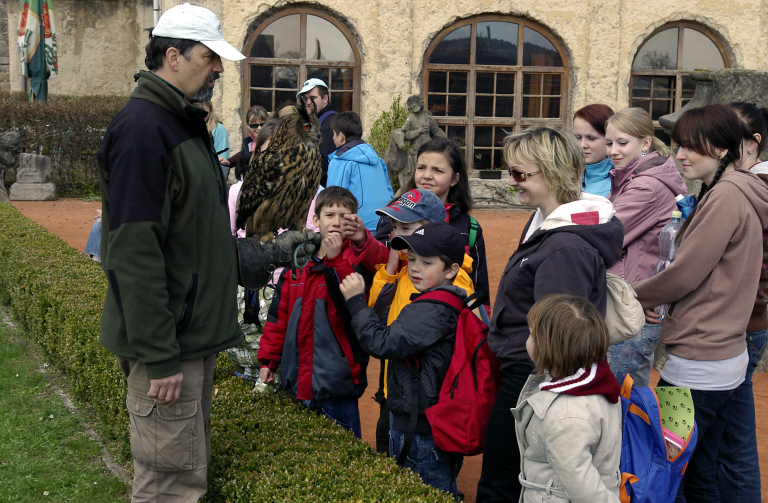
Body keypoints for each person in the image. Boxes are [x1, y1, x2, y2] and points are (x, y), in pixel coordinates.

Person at [95, 4, 245, 501]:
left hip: (186, 341)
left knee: (185, 475)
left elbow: (195, 240)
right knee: (169, 487)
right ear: (173, 56)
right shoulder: (145, 130)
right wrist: (159, 358)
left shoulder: (179, 122)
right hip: (169, 348)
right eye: (211, 57)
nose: (219, 69)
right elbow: (133, 253)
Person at [476, 126, 623, 502]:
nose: (512, 183)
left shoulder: (565, 245)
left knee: (502, 481)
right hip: (525, 370)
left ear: (553, 173)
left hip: (532, 379)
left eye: (521, 174)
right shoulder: (550, 222)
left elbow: (559, 336)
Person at [632, 104, 768, 502]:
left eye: (695, 147)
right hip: (720, 354)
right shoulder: (733, 190)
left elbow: (686, 273)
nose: (682, 155)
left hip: (697, 362)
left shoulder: (726, 196)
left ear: (724, 150)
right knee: (704, 466)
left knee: (672, 466)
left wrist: (627, 293)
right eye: (679, 146)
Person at [339, 222, 468, 501]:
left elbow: (380, 343)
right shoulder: (441, 300)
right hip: (424, 425)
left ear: (452, 270)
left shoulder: (431, 310)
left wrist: (356, 302)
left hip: (421, 433)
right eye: (413, 259)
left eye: (427, 262)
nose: (415, 267)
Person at [257, 186, 387, 438]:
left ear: (355, 219)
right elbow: (278, 320)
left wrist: (343, 253)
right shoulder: (297, 268)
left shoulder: (358, 261)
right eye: (329, 215)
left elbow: (357, 291)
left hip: (337, 384)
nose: (336, 222)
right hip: (297, 381)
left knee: (345, 455)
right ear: (316, 220)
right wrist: (269, 360)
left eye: (344, 216)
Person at [367, 188, 478, 455]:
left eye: (405, 227)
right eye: (393, 227)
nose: (395, 234)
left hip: (427, 400)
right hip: (395, 391)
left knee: (427, 466)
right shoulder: (408, 270)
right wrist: (391, 268)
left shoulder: (451, 278)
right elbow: (378, 310)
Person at [603, 107, 687, 387]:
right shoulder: (634, 178)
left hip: (633, 307)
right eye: (610, 143)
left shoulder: (645, 187)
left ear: (646, 143)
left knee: (623, 402)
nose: (613, 151)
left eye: (622, 143)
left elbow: (605, 235)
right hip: (635, 301)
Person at [513, 293, 622, 502]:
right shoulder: (598, 381)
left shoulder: (566, 416)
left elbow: (585, 490)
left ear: (547, 346)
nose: (527, 340)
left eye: (531, 334)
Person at [715, 101, 768, 503]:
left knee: (731, 439)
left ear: (754, 143)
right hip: (745, 324)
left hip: (735, 326)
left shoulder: (749, 189)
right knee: (733, 434)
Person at [377, 137, 490, 308]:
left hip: (449, 321)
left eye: (438, 170)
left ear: (454, 179)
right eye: (421, 168)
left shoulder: (469, 227)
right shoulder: (395, 216)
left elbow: (479, 286)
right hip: (397, 318)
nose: (427, 176)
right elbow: (377, 263)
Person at [326, 111, 393, 231]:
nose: (332, 138)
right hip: (384, 224)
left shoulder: (340, 161)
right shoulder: (378, 160)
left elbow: (333, 201)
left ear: (341, 137)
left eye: (334, 134)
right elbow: (390, 193)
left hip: (356, 228)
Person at [398, 95, 446, 188]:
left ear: (419, 103)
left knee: (429, 174)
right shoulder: (410, 118)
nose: (413, 106)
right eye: (410, 104)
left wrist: (446, 140)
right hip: (414, 152)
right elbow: (405, 135)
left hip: (428, 150)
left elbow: (437, 132)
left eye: (414, 103)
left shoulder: (428, 118)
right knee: (413, 175)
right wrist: (418, 131)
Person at [297, 78, 337, 186]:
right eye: (305, 98)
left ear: (325, 99)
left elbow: (324, 162)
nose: (308, 102)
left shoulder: (329, 123)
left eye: (313, 98)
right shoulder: (315, 120)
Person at [573, 103, 614, 197]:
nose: (582, 145)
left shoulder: (622, 181)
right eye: (578, 137)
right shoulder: (565, 176)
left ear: (609, 139)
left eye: (591, 138)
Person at [224, 105, 268, 183]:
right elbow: (243, 155)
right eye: (254, 125)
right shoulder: (248, 143)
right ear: (247, 125)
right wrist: (228, 162)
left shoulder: (272, 140)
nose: (259, 128)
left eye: (262, 124)